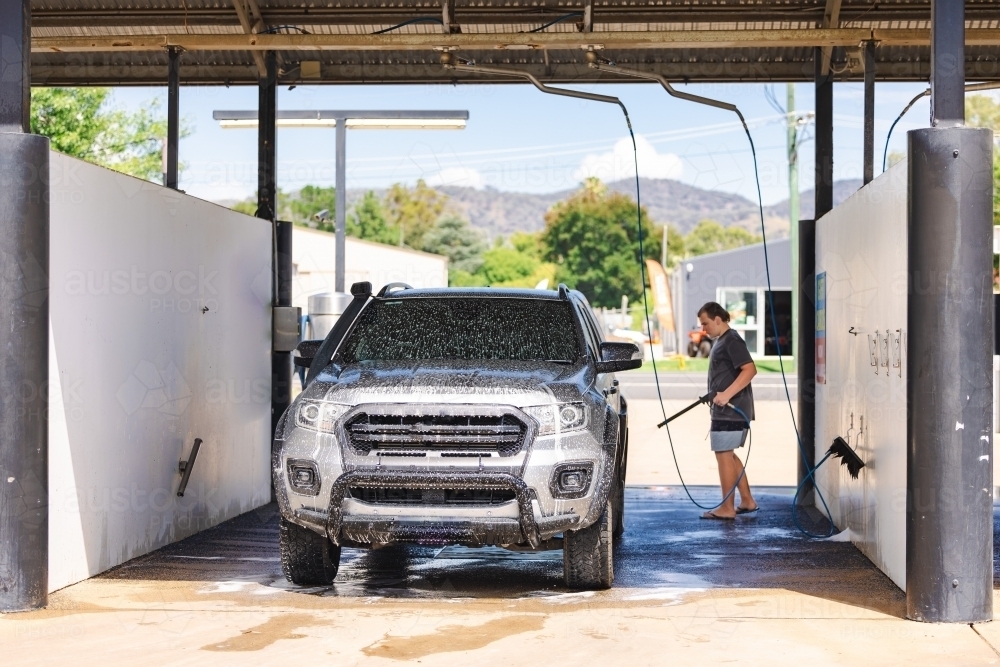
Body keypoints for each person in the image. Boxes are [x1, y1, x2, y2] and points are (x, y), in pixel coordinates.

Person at [696, 301, 758, 520]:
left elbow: (750, 370)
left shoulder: (731, 340)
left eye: (705, 324)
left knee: (723, 454)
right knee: (729, 455)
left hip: (732, 410)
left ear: (718, 319)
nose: (704, 329)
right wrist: (715, 393)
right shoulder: (724, 340)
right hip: (729, 408)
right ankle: (747, 501)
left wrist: (726, 394)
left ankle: (727, 508)